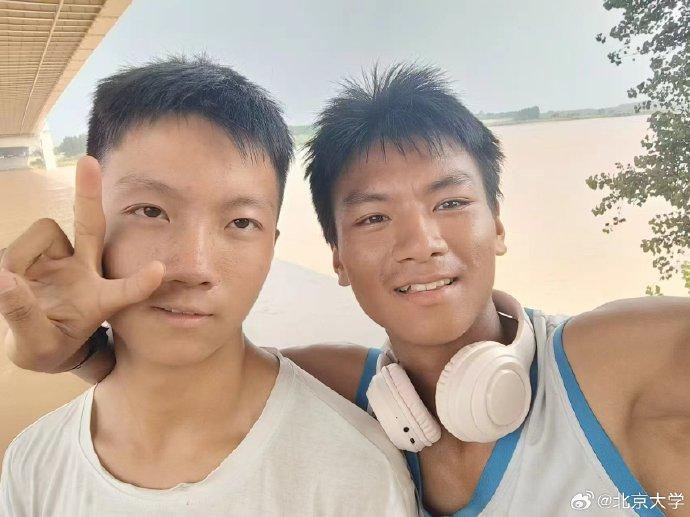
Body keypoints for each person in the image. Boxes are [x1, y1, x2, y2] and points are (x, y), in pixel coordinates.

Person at [3, 63, 689, 516]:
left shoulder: (614, 359)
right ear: (335, 257)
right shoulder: (345, 385)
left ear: (499, 224)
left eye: (451, 202)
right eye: (373, 217)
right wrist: (76, 350)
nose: (421, 241)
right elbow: (197, 370)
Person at [0, 57, 417, 516]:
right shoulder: (32, 465)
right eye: (151, 211)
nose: (194, 267)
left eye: (241, 222)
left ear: (271, 247)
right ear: (90, 219)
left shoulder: (353, 475)